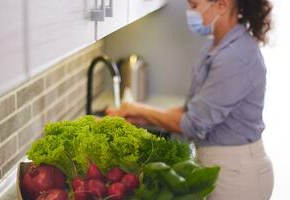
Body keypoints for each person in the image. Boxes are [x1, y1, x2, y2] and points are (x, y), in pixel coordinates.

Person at [107, 0, 274, 199]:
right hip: (221, 164)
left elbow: (193, 123)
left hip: (237, 173)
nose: (189, 12)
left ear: (222, 5)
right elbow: (190, 110)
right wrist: (140, 116)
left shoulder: (236, 56)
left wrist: (137, 109)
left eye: (194, 5)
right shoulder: (214, 47)